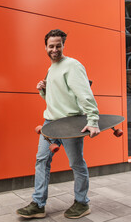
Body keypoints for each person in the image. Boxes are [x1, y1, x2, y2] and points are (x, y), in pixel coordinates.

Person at [16, 29, 100, 219]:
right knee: (41, 160)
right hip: (50, 122)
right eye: (51, 46)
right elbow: (56, 98)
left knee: (76, 164)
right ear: (45, 47)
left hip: (71, 122)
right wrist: (43, 90)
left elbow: (85, 94)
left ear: (63, 45)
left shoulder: (72, 65)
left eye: (58, 45)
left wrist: (93, 120)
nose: (54, 49)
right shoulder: (51, 69)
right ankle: (38, 204)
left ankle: (82, 202)